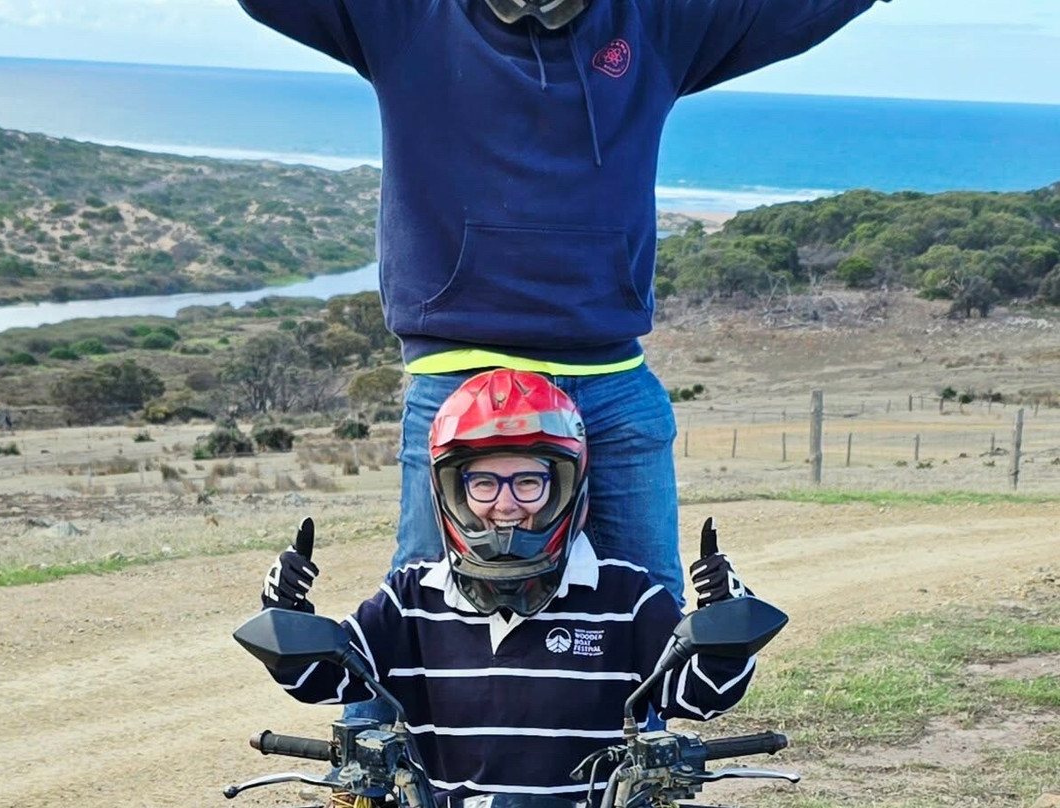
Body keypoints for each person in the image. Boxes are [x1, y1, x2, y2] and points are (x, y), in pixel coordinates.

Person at [236, 0, 891, 615]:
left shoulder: (654, 23)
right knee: (424, 592)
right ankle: (378, 734)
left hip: (610, 375)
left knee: (649, 596)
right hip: (460, 369)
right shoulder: (408, 19)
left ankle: (642, 735)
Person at [259, 369, 754, 803]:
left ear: (564, 483)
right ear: (453, 489)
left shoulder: (627, 596)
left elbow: (696, 697)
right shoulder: (411, 598)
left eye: (528, 482)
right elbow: (329, 680)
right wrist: (287, 620)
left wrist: (728, 623)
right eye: (483, 484)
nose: (506, 505)